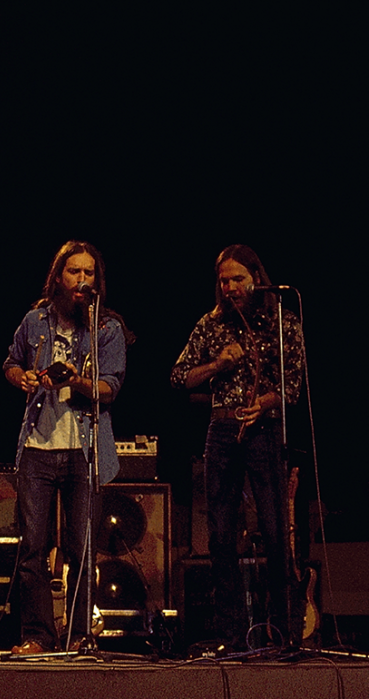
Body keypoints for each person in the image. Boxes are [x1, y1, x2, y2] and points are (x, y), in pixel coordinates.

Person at [171, 244, 303, 648]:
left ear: (256, 279)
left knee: (275, 531)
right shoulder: (211, 325)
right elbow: (178, 377)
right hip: (223, 433)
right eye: (223, 281)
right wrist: (217, 366)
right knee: (221, 536)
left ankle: (282, 631)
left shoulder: (282, 320)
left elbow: (294, 384)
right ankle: (230, 634)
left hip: (266, 433)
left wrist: (264, 403)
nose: (229, 287)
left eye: (237, 279)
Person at [3, 241, 128, 655]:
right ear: (59, 277)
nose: (83, 281)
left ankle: (79, 635)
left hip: (85, 450)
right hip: (38, 447)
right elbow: (10, 362)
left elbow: (110, 388)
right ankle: (37, 635)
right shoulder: (35, 320)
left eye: (90, 273)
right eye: (75, 272)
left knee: (82, 549)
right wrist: (20, 376)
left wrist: (75, 381)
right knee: (33, 548)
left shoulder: (107, 328)